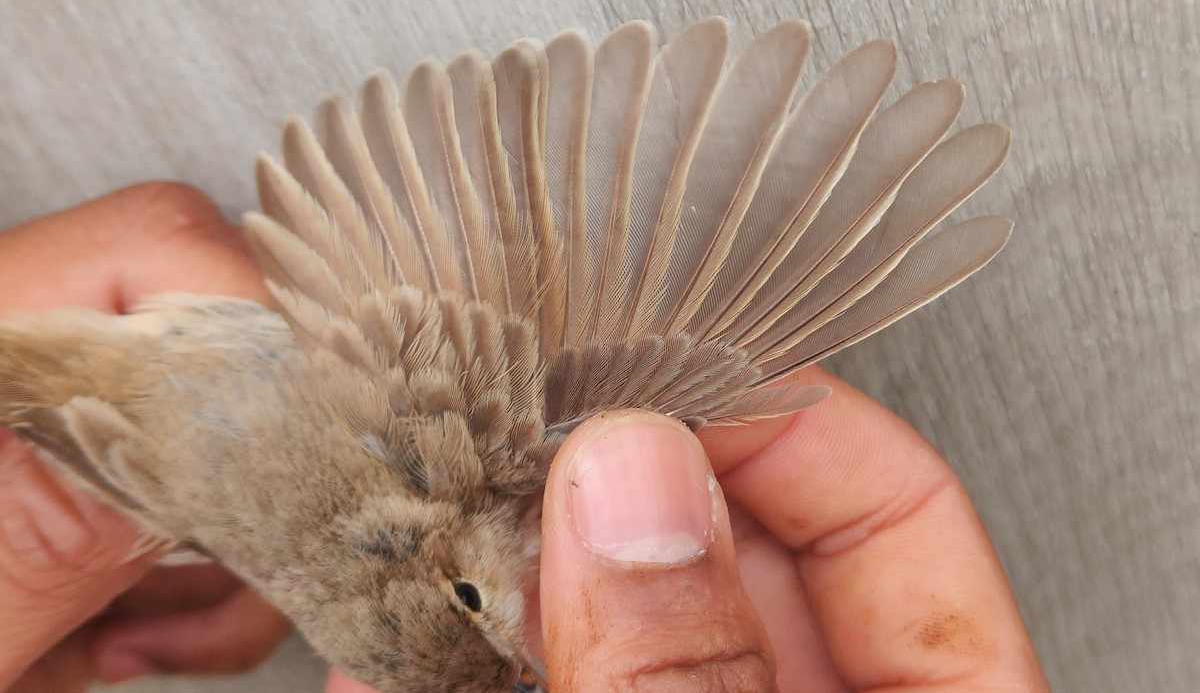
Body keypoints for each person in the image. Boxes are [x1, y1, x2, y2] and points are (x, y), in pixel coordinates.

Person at [0, 184, 1050, 693]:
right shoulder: (397, 489)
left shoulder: (440, 460)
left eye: (477, 604)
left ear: (427, 568)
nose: (523, 608)